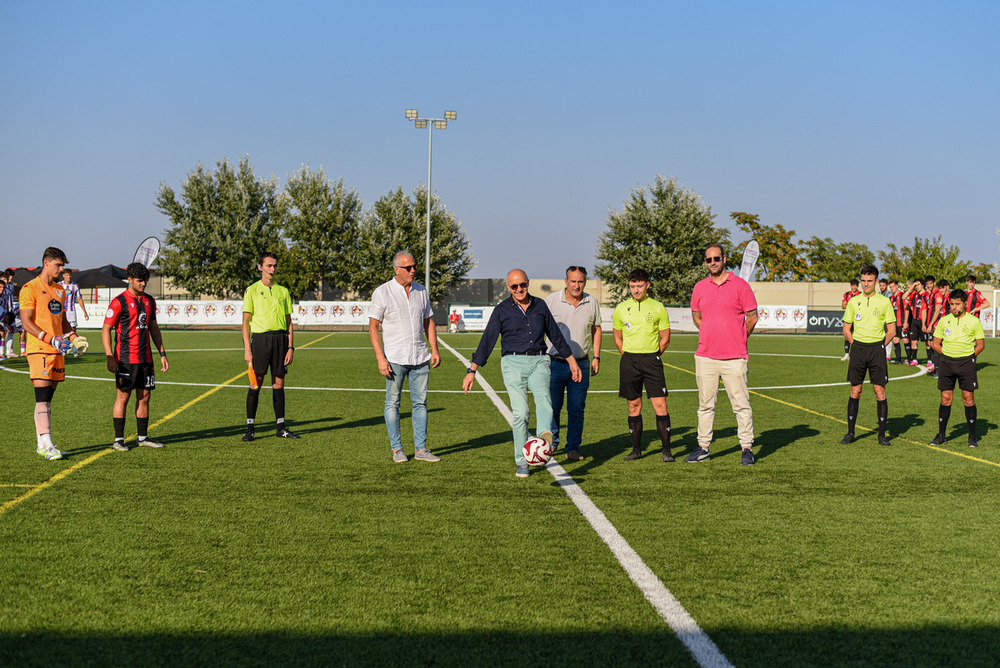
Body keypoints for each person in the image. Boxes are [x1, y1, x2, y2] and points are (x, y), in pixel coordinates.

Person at [462, 269, 581, 478]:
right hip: (512, 363)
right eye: (514, 286)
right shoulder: (501, 310)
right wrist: (472, 370)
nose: (519, 289)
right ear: (508, 287)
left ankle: (543, 441)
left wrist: (572, 361)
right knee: (521, 413)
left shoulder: (541, 306)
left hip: (539, 361)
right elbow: (488, 340)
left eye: (522, 285)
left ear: (528, 283)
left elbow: (555, 335)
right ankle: (521, 460)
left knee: (544, 400)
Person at [687, 245, 759, 465]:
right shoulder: (699, 287)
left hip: (734, 357)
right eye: (708, 260)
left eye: (716, 258)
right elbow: (696, 316)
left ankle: (746, 447)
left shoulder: (741, 286)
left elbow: (752, 317)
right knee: (706, 405)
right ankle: (703, 447)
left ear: (724, 259)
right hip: (706, 356)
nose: (712, 262)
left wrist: (738, 337)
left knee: (741, 405)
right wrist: (710, 333)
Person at [369, 251, 442, 463]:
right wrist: (380, 358)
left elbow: (428, 321)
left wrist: (434, 349)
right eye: (408, 267)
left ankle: (421, 450)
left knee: (421, 404)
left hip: (420, 356)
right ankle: (397, 449)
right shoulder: (383, 292)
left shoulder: (421, 290)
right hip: (394, 357)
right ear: (396, 270)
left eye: (414, 267)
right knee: (393, 403)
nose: (412, 270)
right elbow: (373, 327)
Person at [18, 247, 85, 460]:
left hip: (58, 350)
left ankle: (42, 443)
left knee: (48, 399)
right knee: (42, 398)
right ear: (46, 263)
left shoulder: (60, 290)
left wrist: (74, 338)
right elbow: (27, 323)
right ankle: (46, 443)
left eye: (62, 265)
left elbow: (63, 321)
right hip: (40, 349)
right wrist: (50, 339)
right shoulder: (30, 288)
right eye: (58, 265)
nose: (61, 269)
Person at [101, 262, 169, 450]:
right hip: (125, 359)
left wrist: (162, 353)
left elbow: (154, 329)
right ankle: (118, 440)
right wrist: (109, 356)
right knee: (123, 397)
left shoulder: (149, 301)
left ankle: (142, 437)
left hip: (146, 359)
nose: (143, 284)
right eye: (139, 281)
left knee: (145, 396)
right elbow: (105, 329)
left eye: (145, 281)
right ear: (129, 280)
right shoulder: (119, 301)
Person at [612, 268, 672, 462]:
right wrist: (629, 355)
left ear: (647, 285)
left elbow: (665, 338)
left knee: (660, 404)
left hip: (651, 361)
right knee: (633, 405)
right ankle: (636, 450)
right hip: (629, 361)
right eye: (632, 286)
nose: (636, 290)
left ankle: (667, 451)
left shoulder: (658, 307)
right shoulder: (621, 308)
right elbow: (617, 337)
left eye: (639, 286)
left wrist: (652, 355)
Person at [546, 265, 602, 462]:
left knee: (577, 408)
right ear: (566, 282)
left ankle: (573, 448)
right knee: (552, 407)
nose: (577, 285)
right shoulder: (552, 300)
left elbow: (596, 330)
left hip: (582, 364)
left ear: (584, 283)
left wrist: (596, 356)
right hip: (555, 364)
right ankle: (551, 444)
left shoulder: (591, 301)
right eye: (573, 281)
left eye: (580, 282)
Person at [242, 251, 298, 441]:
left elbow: (289, 321)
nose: (272, 269)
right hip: (260, 340)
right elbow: (245, 323)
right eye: (268, 265)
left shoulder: (283, 291)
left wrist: (290, 347)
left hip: (280, 340)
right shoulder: (251, 290)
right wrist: (247, 350)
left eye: (274, 265)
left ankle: (281, 428)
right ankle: (250, 429)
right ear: (260, 267)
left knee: (278, 384)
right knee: (255, 383)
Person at [840, 265, 896, 446]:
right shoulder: (853, 301)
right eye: (863, 280)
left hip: (876, 350)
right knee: (855, 391)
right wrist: (855, 345)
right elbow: (846, 329)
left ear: (876, 281)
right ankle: (850, 433)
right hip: (858, 349)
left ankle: (882, 435)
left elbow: (892, 330)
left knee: (880, 392)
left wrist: (881, 346)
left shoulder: (885, 302)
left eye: (869, 281)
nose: (865, 284)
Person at [930, 289, 985, 447]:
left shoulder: (974, 321)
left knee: (968, 399)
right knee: (945, 399)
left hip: (966, 364)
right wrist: (947, 355)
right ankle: (941, 436)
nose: (954, 307)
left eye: (957, 304)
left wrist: (968, 357)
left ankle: (972, 436)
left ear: (965, 304)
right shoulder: (944, 320)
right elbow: (935, 343)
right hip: (947, 364)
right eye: (952, 304)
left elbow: (981, 345)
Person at [925, 278, 950, 377]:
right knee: (936, 346)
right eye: (940, 288)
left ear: (947, 287)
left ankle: (940, 370)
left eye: (943, 288)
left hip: (947, 326)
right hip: (941, 324)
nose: (941, 290)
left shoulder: (949, 297)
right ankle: (937, 369)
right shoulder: (943, 297)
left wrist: (932, 324)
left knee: (939, 347)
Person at [905, 278, 929, 367]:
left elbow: (925, 310)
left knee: (926, 341)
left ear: (922, 285)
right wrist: (912, 287)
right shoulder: (914, 294)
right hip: (914, 321)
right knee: (913, 341)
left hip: (923, 320)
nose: (917, 287)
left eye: (918, 285)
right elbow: (904, 297)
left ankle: (930, 360)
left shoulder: (926, 295)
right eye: (916, 285)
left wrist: (924, 324)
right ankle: (914, 359)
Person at [60, 268, 89, 334]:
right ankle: (62, 344)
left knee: (73, 330)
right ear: (63, 275)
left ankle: (73, 343)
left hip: (71, 311)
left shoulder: (75, 286)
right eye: (67, 275)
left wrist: (85, 312)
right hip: (61, 311)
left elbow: (79, 299)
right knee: (61, 329)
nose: (69, 277)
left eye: (70, 275)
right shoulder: (59, 285)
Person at [840, 278, 860, 361]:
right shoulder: (846, 294)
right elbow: (843, 306)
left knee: (858, 336)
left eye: (855, 286)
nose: (854, 287)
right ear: (850, 286)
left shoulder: (861, 294)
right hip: (849, 317)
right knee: (847, 335)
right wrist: (851, 304)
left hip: (858, 318)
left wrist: (849, 304)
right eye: (852, 286)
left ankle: (857, 354)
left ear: (857, 286)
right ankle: (847, 354)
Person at [887, 279, 906, 364]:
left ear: (897, 286)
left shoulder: (903, 296)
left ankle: (910, 359)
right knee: (895, 340)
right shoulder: (891, 298)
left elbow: (907, 309)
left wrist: (906, 321)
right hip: (894, 323)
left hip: (902, 322)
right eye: (890, 287)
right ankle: (899, 360)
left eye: (893, 286)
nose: (892, 288)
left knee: (905, 340)